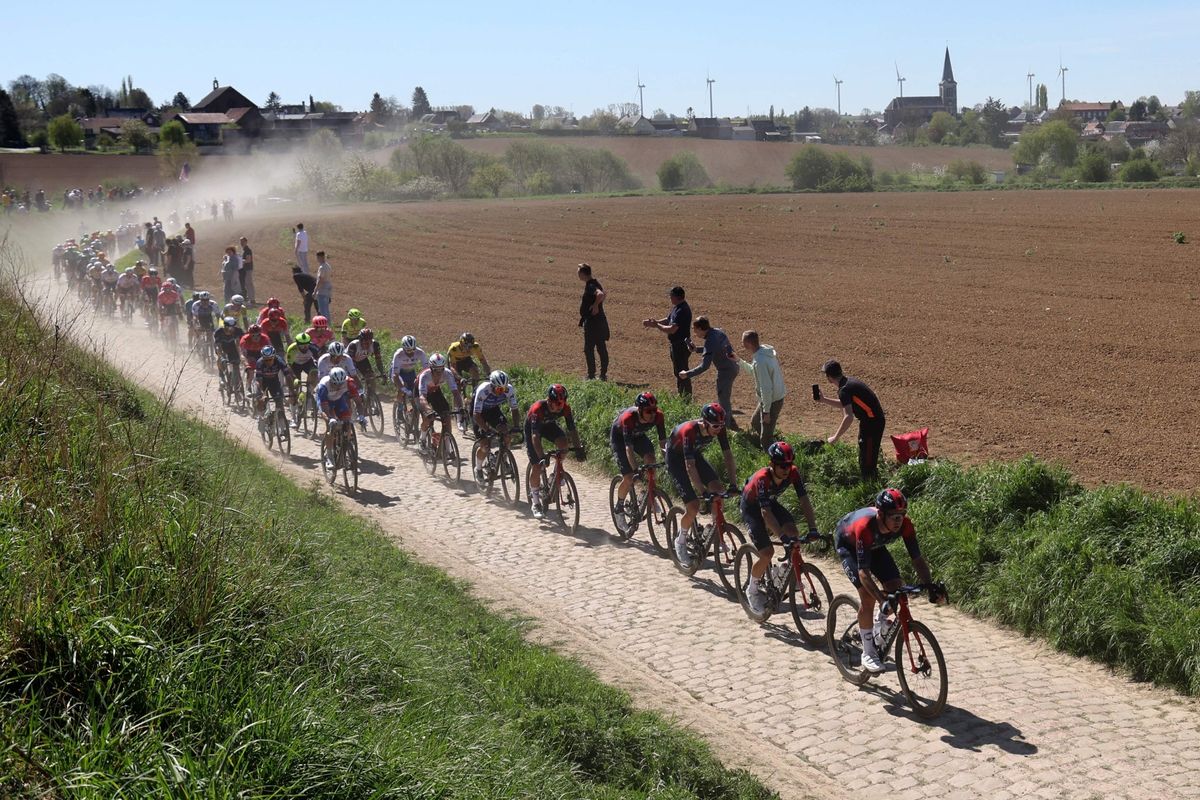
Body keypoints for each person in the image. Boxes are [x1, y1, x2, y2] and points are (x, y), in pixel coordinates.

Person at [834, 489, 945, 673]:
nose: (899, 521)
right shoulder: (865, 527)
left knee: (896, 587)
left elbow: (917, 559)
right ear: (881, 514)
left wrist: (929, 586)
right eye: (894, 516)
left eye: (902, 515)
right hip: (849, 544)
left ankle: (878, 624)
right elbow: (863, 573)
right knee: (868, 597)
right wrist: (880, 599)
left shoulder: (905, 525)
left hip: (875, 546)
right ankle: (868, 653)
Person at [740, 442, 820, 615]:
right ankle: (752, 590)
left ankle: (782, 573)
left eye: (789, 464)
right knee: (767, 552)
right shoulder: (762, 478)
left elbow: (804, 500)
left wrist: (813, 528)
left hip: (769, 502)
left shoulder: (793, 472)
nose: (786, 469)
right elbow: (765, 513)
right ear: (772, 464)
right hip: (752, 507)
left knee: (794, 533)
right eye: (782, 465)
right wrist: (781, 536)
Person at [666, 403, 738, 563]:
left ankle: (714, 533)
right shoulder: (689, 432)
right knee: (693, 506)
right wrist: (702, 490)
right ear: (705, 423)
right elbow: (689, 466)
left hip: (693, 454)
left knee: (719, 490)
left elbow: (728, 456)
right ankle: (680, 541)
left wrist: (733, 484)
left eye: (722, 425)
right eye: (715, 426)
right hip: (675, 459)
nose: (719, 429)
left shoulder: (719, 428)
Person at [609, 391, 667, 534]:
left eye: (654, 410)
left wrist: (667, 461)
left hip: (638, 436)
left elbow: (662, 442)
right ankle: (619, 507)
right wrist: (635, 470)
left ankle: (648, 494)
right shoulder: (628, 418)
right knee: (629, 478)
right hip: (620, 439)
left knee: (651, 461)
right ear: (640, 410)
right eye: (649, 411)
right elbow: (628, 448)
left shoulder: (658, 416)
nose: (653, 414)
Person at [817, 360, 885, 480]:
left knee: (868, 461)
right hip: (870, 421)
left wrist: (835, 437)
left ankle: (870, 485)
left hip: (872, 424)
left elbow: (848, 416)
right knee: (865, 454)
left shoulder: (844, 389)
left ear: (828, 377)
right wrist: (824, 400)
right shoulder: (848, 383)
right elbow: (846, 404)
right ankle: (869, 480)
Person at [524, 384, 584, 519]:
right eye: (557, 403)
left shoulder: (565, 408)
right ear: (549, 401)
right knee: (537, 466)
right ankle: (535, 502)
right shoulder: (537, 409)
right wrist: (541, 457)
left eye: (562, 403)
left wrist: (578, 448)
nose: (560, 406)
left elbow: (572, 430)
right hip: (533, 430)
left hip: (549, 425)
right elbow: (535, 437)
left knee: (564, 445)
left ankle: (556, 474)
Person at [682, 316, 740, 431]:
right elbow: (714, 348)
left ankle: (726, 429)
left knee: (723, 399)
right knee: (724, 397)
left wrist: (687, 374)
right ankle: (730, 421)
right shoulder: (718, 331)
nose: (694, 332)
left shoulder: (710, 341)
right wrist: (696, 349)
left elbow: (704, 366)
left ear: (700, 329)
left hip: (726, 371)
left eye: (695, 329)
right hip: (733, 366)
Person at [738, 330, 787, 449]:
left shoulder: (760, 361)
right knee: (755, 422)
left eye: (742, 342)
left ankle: (775, 455)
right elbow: (754, 372)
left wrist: (766, 412)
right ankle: (773, 439)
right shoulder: (764, 352)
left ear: (748, 344)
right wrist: (739, 361)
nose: (741, 344)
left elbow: (766, 388)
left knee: (765, 441)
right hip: (773, 398)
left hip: (772, 401)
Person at [471, 370, 520, 483]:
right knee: (485, 444)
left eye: (503, 389)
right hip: (478, 412)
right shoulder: (483, 390)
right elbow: (476, 415)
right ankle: (478, 469)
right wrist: (487, 430)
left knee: (506, 434)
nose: (501, 392)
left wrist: (516, 426)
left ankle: (503, 458)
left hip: (493, 410)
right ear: (492, 385)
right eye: (498, 389)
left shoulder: (509, 389)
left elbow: (514, 409)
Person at [643, 286, 692, 396]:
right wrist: (654, 323)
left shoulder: (682, 310)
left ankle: (685, 397)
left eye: (671, 296)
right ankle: (683, 394)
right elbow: (668, 320)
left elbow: (672, 329)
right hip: (677, 344)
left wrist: (656, 325)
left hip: (680, 345)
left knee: (682, 372)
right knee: (678, 371)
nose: (670, 298)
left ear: (676, 297)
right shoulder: (677, 307)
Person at [417, 353, 464, 448]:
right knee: (427, 418)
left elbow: (455, 393)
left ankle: (447, 447)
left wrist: (461, 407)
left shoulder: (447, 373)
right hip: (421, 393)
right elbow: (422, 397)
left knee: (446, 415)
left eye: (441, 369)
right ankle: (422, 439)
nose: (439, 372)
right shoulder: (425, 376)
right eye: (436, 370)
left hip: (435, 391)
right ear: (431, 368)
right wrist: (428, 410)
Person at [316, 367, 360, 468]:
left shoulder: (349, 382)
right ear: (331, 380)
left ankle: (345, 448)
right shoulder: (324, 385)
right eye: (335, 384)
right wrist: (330, 418)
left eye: (341, 384)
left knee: (347, 421)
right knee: (331, 426)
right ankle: (330, 457)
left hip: (339, 400)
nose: (338, 386)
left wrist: (362, 416)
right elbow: (324, 409)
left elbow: (358, 401)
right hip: (326, 402)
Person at [577, 263, 609, 381]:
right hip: (600, 322)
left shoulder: (591, 285)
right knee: (601, 348)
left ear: (583, 273)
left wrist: (595, 305)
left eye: (578, 271)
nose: (577, 273)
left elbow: (600, 294)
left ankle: (591, 375)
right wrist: (598, 304)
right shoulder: (595, 283)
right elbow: (604, 293)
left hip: (592, 323)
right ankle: (603, 375)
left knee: (589, 349)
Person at [286, 332, 322, 426]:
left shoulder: (313, 348)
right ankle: (294, 418)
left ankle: (308, 393)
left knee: (315, 373)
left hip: (307, 364)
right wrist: (293, 378)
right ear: (297, 344)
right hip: (295, 366)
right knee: (293, 390)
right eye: (302, 346)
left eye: (307, 345)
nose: (305, 348)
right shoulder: (292, 349)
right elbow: (289, 367)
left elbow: (319, 362)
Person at [253, 345, 293, 418]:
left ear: (274, 357)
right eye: (266, 360)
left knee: (279, 401)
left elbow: (287, 376)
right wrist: (261, 393)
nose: (268, 362)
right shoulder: (260, 362)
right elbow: (259, 380)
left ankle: (280, 418)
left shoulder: (280, 361)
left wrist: (292, 390)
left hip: (274, 381)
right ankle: (261, 414)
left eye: (270, 359)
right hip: (263, 382)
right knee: (261, 401)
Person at [390, 335, 427, 408]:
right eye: (408, 350)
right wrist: (403, 389)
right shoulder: (398, 354)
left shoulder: (420, 352)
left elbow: (427, 370)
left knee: (414, 390)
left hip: (410, 372)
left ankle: (414, 411)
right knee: (402, 386)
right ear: (403, 348)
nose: (411, 353)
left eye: (413, 349)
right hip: (398, 373)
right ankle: (399, 409)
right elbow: (395, 376)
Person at [346, 328, 385, 397]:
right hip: (349, 362)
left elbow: (378, 360)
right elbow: (350, 364)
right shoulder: (354, 345)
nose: (367, 344)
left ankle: (371, 397)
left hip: (362, 360)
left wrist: (382, 372)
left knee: (371, 376)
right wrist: (356, 375)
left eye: (369, 341)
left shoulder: (375, 345)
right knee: (354, 379)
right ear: (360, 340)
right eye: (365, 342)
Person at [239, 323, 271, 394]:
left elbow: (271, 351)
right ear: (249, 335)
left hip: (261, 353)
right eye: (253, 335)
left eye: (258, 335)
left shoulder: (265, 339)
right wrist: (247, 365)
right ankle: (248, 387)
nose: (256, 337)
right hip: (249, 354)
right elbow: (242, 355)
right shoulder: (244, 340)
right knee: (251, 371)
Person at [213, 317, 245, 389]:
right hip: (222, 347)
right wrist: (221, 356)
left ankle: (236, 379)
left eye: (233, 327)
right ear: (225, 326)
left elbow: (243, 341)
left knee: (236, 362)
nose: (231, 329)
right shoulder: (219, 332)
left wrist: (242, 355)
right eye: (229, 327)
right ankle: (221, 376)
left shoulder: (238, 331)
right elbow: (218, 346)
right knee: (220, 360)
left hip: (232, 347)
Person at [314, 250, 333, 319]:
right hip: (328, 288)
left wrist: (315, 291)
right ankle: (329, 325)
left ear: (320, 257)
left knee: (322, 311)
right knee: (326, 309)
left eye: (317, 257)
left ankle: (325, 326)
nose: (317, 259)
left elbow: (320, 280)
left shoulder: (322, 267)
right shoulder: (328, 266)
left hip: (322, 289)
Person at [239, 236, 255, 306]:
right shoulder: (244, 250)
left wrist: (240, 260)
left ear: (246, 242)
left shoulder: (247, 250)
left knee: (249, 284)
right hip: (245, 269)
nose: (241, 243)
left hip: (248, 269)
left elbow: (249, 260)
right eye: (241, 242)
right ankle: (250, 298)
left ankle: (252, 299)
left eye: (243, 241)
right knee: (246, 284)